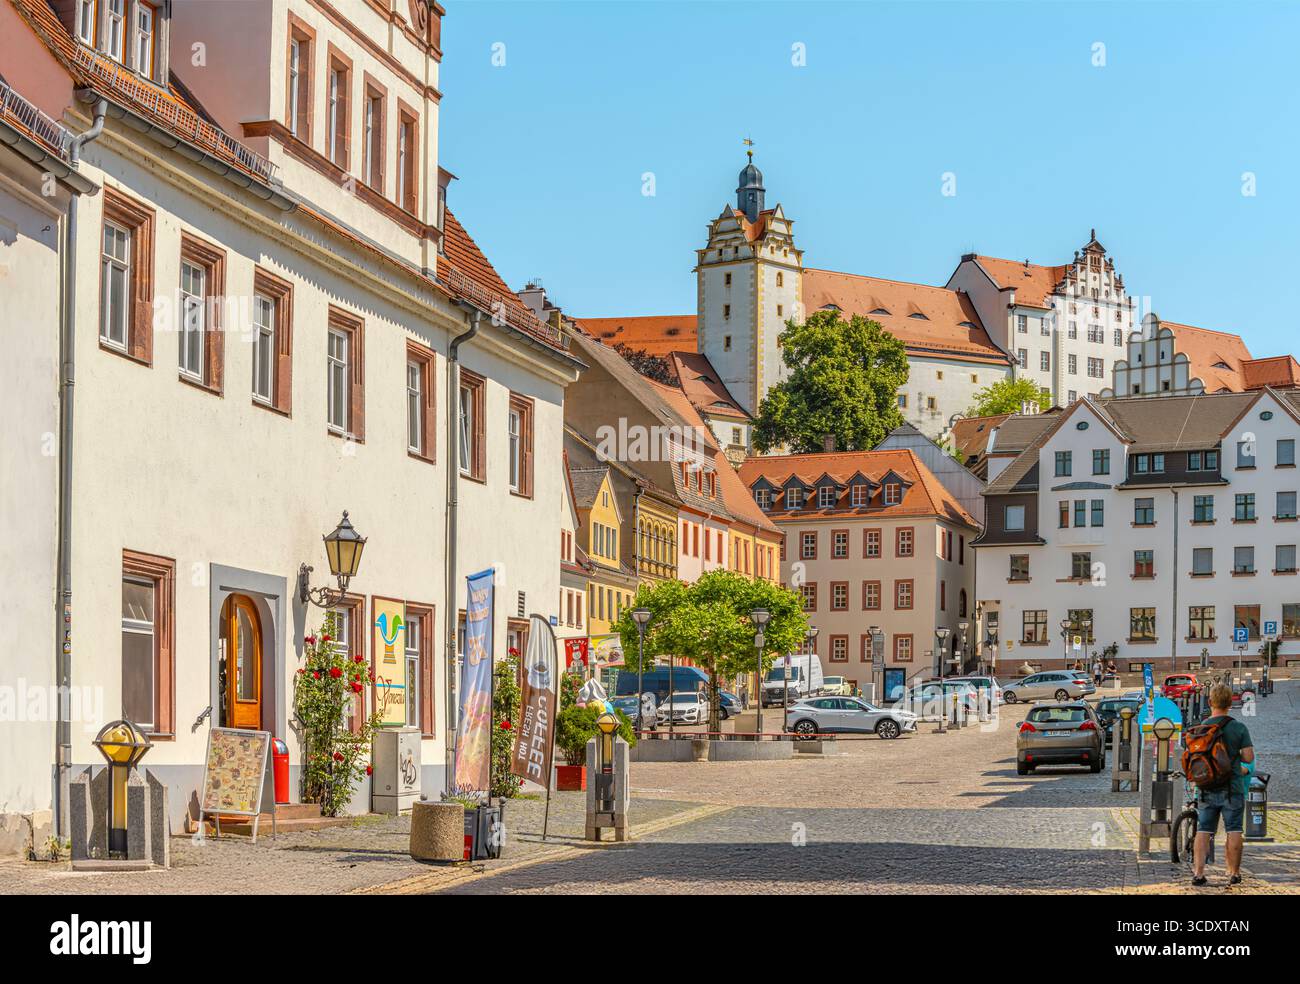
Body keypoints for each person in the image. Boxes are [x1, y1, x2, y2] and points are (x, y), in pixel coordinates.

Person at [1192, 683, 1255, 887]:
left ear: (1210, 702)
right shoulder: (1238, 727)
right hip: (1232, 787)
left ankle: (1199, 873)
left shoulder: (1201, 728)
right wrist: (1232, 754)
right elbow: (1248, 757)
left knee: (1204, 829)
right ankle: (1234, 873)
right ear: (1230, 703)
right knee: (1234, 829)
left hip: (1206, 786)